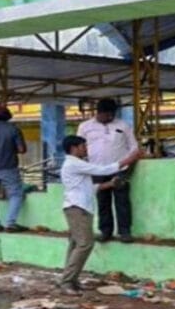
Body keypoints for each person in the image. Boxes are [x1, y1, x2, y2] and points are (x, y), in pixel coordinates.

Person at [57, 135, 143, 295]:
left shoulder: (75, 165)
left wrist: (110, 184)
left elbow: (89, 187)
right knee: (85, 244)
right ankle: (67, 282)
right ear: (74, 148)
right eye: (83, 146)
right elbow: (103, 170)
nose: (86, 149)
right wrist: (130, 158)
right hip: (78, 207)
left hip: (79, 207)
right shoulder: (74, 163)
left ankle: (71, 280)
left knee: (76, 244)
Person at [76, 98, 140, 243]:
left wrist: (128, 166)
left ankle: (125, 231)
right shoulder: (85, 127)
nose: (109, 118)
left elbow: (134, 148)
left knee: (122, 200)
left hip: (119, 169)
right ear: (98, 113)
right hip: (97, 169)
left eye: (111, 115)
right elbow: (78, 148)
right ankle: (105, 231)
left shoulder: (123, 125)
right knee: (102, 201)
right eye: (106, 115)